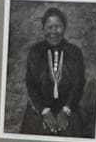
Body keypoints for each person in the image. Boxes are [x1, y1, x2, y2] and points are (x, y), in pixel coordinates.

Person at [17, 7, 91, 135]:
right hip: (41, 109)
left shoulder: (74, 52)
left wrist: (66, 110)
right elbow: (31, 84)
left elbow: (78, 84)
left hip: (68, 107)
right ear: (43, 29)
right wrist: (45, 111)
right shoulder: (35, 52)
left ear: (65, 28)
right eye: (49, 27)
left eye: (58, 27)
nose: (54, 31)